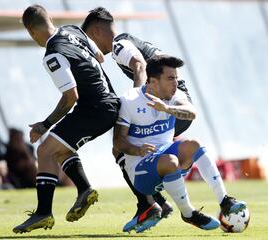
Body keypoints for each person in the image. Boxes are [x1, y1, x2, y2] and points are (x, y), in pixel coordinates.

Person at [82, 7, 193, 232]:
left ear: (95, 31)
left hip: (168, 102)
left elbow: (139, 66)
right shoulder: (129, 41)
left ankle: (149, 204)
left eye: (87, 41)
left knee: (121, 146)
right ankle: (155, 202)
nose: (89, 48)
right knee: (135, 148)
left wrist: (136, 102)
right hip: (176, 101)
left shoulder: (119, 44)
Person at [13, 5, 120, 234]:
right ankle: (84, 190)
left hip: (95, 109)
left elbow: (70, 97)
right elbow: (100, 57)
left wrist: (44, 124)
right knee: (58, 148)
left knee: (44, 150)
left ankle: (43, 213)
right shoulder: (73, 30)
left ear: (31, 31)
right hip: (104, 103)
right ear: (50, 18)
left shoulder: (52, 54)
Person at [113, 55, 246, 231]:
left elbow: (192, 112)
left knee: (194, 144)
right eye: (170, 78)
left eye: (176, 77)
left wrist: (168, 109)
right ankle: (189, 213)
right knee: (170, 161)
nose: (175, 83)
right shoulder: (130, 100)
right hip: (141, 171)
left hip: (167, 158)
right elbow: (118, 143)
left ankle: (225, 201)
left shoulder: (174, 96)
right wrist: (137, 150)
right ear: (153, 81)